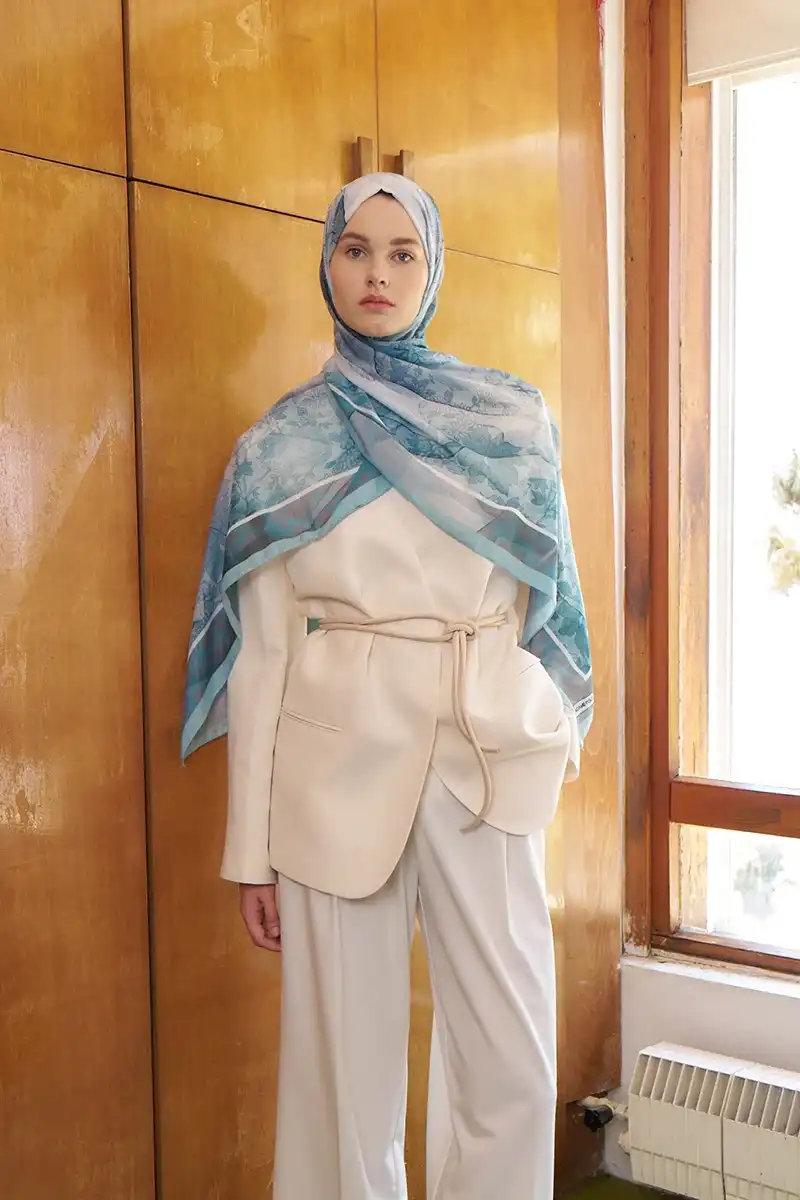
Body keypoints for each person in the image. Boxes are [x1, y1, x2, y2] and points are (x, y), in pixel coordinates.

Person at [182, 173, 592, 1200]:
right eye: (355, 249)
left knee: (511, 1067)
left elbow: (550, 606)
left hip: (483, 756)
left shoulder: (511, 423)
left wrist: (546, 725)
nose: (377, 273)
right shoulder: (278, 449)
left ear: (432, 267)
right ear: (326, 264)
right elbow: (262, 656)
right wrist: (249, 853)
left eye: (402, 252)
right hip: (330, 770)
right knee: (343, 1082)